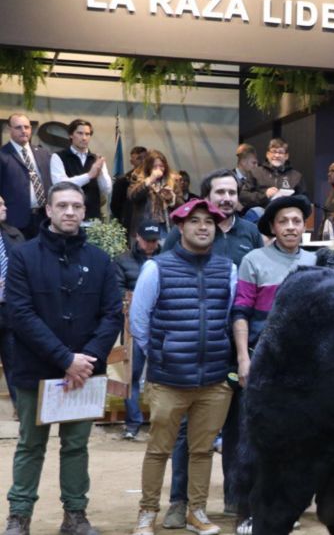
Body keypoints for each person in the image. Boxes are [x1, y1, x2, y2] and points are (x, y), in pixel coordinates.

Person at [3, 182, 123, 535]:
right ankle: (19, 516)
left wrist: (86, 358)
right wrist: (64, 359)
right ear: (50, 211)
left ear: (85, 213)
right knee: (30, 445)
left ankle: (75, 516)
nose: (70, 212)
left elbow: (112, 314)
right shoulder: (24, 256)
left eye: (76, 206)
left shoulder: (100, 261)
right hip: (36, 369)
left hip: (85, 372)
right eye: (63, 206)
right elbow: (20, 314)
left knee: (76, 446)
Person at [129, 198, 237, 535]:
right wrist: (161, 354)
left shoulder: (227, 268)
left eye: (209, 221)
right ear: (180, 226)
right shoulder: (156, 268)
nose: (203, 227)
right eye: (195, 221)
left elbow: (232, 319)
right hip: (168, 380)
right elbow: (139, 321)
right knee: (159, 449)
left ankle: (197, 512)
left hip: (215, 380)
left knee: (202, 450)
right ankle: (147, 513)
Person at [230, 196, 316, 535]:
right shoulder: (254, 260)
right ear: (273, 227)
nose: (292, 227)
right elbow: (240, 312)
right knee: (255, 440)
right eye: (284, 221)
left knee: (294, 441)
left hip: (304, 367)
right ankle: (248, 512)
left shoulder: (316, 260)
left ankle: (285, 508)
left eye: (297, 220)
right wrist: (243, 358)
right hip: (263, 360)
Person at [115, 220, 163, 441]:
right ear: (138, 238)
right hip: (132, 325)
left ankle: (160, 422)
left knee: (162, 376)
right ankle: (133, 422)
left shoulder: (167, 259)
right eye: (147, 241)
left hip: (161, 325)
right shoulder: (122, 261)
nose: (151, 245)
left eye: (154, 241)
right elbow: (116, 292)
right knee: (131, 375)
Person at [162, 170, 265, 267]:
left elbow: (261, 271)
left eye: (232, 193)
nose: (227, 198)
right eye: (220, 192)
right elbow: (164, 266)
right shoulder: (186, 229)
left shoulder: (251, 231)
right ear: (206, 197)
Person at [0, 114, 52, 238]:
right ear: (9, 129)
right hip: (15, 221)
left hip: (44, 218)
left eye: (26, 127)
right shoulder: (2, 155)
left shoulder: (43, 154)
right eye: (18, 127)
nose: (23, 131)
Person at [49, 119, 112, 222]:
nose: (84, 138)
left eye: (87, 134)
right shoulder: (58, 157)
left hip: (93, 218)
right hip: (67, 217)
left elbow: (107, 190)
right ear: (70, 135)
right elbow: (59, 185)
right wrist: (89, 176)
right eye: (80, 133)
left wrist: (100, 175)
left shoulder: (96, 159)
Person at [0, 195, 25, 406]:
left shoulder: (14, 234)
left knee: (13, 359)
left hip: (9, 308)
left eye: (4, 203)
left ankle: (21, 407)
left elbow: (26, 269)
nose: (4, 207)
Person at [240, 138, 307, 214]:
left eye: (281, 152)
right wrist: (265, 195)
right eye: (274, 151)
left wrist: (290, 200)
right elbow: (243, 196)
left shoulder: (296, 176)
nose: (277, 155)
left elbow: (304, 200)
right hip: (261, 215)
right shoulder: (255, 172)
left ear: (286, 156)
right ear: (267, 155)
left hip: (286, 215)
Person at [127, 149, 180, 234]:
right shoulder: (138, 178)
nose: (158, 169)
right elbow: (132, 196)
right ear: (148, 167)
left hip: (165, 227)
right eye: (155, 167)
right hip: (145, 225)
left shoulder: (172, 180)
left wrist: (171, 199)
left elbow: (182, 206)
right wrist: (149, 180)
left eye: (161, 166)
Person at [110, 146, 148, 234]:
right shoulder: (123, 181)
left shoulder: (154, 178)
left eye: (145, 158)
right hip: (130, 223)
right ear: (132, 162)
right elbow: (115, 206)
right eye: (139, 159)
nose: (143, 161)